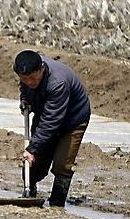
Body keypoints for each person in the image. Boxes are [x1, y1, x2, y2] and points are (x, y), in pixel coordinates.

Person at [14, 49, 91, 207]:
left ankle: (57, 202)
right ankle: (29, 191)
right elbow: (25, 88)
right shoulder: (25, 70)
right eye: (25, 79)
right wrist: (25, 100)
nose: (29, 82)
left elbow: (51, 121)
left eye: (33, 78)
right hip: (46, 114)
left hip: (73, 120)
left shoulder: (58, 82)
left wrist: (32, 147)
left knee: (62, 165)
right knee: (33, 162)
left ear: (41, 69)